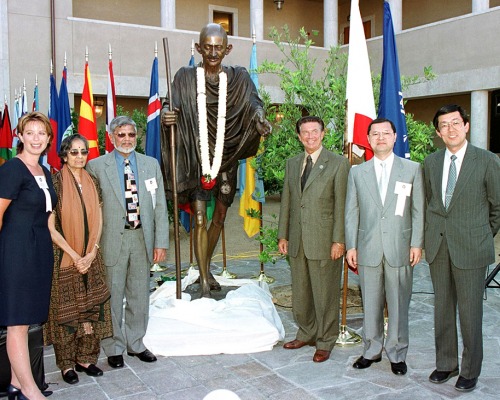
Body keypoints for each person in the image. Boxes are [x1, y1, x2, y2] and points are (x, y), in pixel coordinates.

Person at [161, 23, 271, 298]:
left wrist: (259, 118)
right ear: (198, 48)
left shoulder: (238, 78)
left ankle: (204, 268)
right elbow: (169, 103)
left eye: (217, 47)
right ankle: (204, 278)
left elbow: (253, 103)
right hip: (196, 156)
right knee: (199, 218)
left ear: (227, 49)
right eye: (207, 47)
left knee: (220, 217)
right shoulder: (185, 77)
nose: (212, 52)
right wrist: (167, 115)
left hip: (226, 155)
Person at [424, 104, 500, 392]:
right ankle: (446, 364)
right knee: (442, 309)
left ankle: (470, 369)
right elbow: (433, 203)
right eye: (444, 125)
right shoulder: (430, 163)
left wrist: (481, 234)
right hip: (439, 247)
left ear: (466, 125)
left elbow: (498, 206)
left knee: (470, 313)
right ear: (438, 132)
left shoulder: (486, 160)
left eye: (455, 123)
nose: (451, 129)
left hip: (471, 248)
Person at [86, 116, 169, 369]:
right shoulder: (96, 167)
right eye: (121, 135)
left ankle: (136, 343)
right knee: (112, 296)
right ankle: (113, 346)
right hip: (112, 240)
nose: (126, 139)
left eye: (131, 135)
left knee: (139, 295)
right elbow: (91, 209)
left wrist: (161, 242)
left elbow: (160, 206)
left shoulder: (150, 164)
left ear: (136, 137)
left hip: (142, 239)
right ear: (111, 137)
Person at [345, 118, 425, 376]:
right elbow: (351, 211)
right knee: (370, 303)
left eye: (386, 133)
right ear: (368, 139)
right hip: (367, 248)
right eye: (375, 134)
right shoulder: (357, 172)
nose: (381, 138)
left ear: (394, 137)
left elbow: (418, 210)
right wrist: (351, 246)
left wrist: (416, 243)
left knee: (399, 303)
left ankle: (397, 353)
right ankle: (372, 350)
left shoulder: (412, 169)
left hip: (399, 247)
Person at [277, 116, 350, 363]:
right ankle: (306, 333)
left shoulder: (339, 164)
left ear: (323, 133)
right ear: (299, 136)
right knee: (301, 292)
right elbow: (287, 201)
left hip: (325, 241)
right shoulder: (292, 163)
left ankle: (325, 340)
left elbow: (341, 205)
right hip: (297, 240)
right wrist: (283, 234)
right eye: (305, 132)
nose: (310, 136)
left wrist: (339, 240)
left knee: (325, 294)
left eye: (314, 131)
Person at [44, 134, 112, 385]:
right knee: (67, 312)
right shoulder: (55, 183)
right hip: (65, 258)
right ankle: (66, 365)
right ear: (64, 155)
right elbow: (50, 227)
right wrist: (75, 256)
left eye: (83, 152)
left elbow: (99, 219)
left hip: (92, 256)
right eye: (74, 152)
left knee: (93, 309)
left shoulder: (93, 181)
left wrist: (92, 252)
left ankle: (86, 358)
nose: (80, 156)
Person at [0, 112, 57, 400]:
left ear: (48, 139)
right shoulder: (12, 169)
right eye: (30, 133)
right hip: (15, 253)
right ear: (20, 136)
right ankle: (31, 389)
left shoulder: (44, 172)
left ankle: (15, 383)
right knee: (17, 322)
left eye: (41, 133)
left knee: (27, 319)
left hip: (38, 253)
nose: (36, 138)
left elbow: (47, 219)